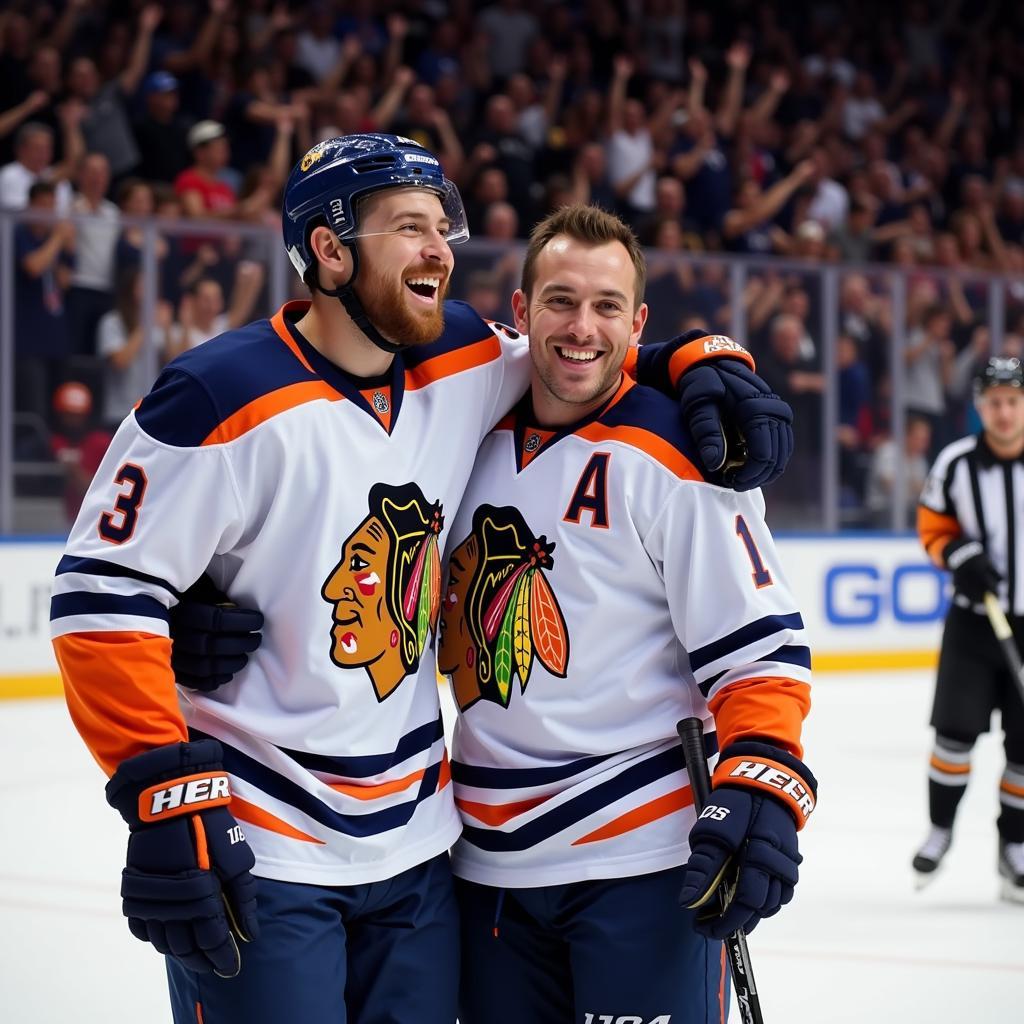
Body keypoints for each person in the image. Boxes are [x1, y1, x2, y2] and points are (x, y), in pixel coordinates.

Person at [49, 133, 791, 1024]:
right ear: (328, 250)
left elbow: (586, 348)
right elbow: (101, 596)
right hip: (267, 844)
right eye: (409, 226)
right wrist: (159, 791)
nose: (441, 248)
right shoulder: (212, 398)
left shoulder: (468, 363)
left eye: (444, 225)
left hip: (421, 854)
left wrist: (705, 358)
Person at [437, 205, 815, 1023]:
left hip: (641, 861)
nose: (582, 327)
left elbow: (759, 654)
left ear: (638, 322)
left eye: (608, 306)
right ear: (519, 311)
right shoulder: (457, 428)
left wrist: (766, 779)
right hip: (481, 863)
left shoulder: (679, 457)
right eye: (560, 301)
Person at [915, 355, 1024, 902]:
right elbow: (932, 525)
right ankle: (940, 829)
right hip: (974, 622)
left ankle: (1014, 848)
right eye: (994, 402)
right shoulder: (957, 463)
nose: (1004, 413)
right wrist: (959, 552)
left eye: (1013, 401)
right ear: (981, 406)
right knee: (954, 737)